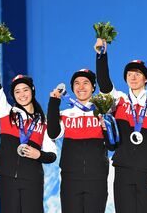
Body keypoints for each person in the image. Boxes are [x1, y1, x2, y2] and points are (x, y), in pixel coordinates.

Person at [94, 38, 147, 213]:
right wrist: (102, 55)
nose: (133, 77)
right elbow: (104, 84)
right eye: (129, 74)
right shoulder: (119, 99)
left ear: (146, 78)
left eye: (138, 74)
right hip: (123, 170)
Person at [0, 38, 57, 213]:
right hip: (7, 178)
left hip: (32, 178)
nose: (22, 94)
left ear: (32, 91)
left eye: (25, 89)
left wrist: (38, 154)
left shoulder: (43, 121)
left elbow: (52, 155)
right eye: (17, 91)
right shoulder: (6, 112)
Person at [47, 69, 112, 212]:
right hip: (71, 180)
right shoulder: (65, 114)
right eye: (77, 83)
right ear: (72, 88)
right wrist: (54, 102)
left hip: (97, 178)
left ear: (93, 87)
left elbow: (112, 144)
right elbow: (52, 133)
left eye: (85, 83)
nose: (81, 87)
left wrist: (106, 126)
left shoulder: (102, 112)